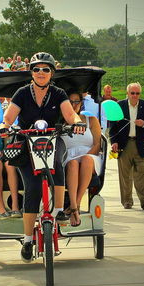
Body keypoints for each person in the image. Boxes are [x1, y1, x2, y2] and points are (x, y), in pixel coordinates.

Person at [1, 52, 84, 262]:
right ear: (31, 72)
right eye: (36, 69)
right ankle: (28, 240)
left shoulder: (58, 93)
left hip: (53, 140)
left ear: (51, 73)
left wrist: (77, 122)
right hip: (27, 143)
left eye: (45, 69)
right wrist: (5, 126)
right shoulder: (22, 93)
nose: (41, 73)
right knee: (33, 187)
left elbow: (69, 114)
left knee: (57, 163)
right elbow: (9, 117)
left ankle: (58, 209)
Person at [109, 82, 144, 210]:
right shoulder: (120, 105)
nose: (135, 95)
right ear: (127, 93)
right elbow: (112, 127)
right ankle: (127, 201)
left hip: (140, 143)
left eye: (137, 93)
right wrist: (113, 141)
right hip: (124, 144)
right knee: (125, 175)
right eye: (132, 93)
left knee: (142, 172)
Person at [62, 91, 102, 226]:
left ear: (81, 103)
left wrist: (88, 155)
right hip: (69, 157)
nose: (73, 105)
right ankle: (74, 205)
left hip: (89, 156)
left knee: (86, 159)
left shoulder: (91, 120)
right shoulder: (59, 123)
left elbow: (97, 144)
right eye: (70, 102)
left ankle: (76, 204)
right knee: (73, 164)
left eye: (76, 102)